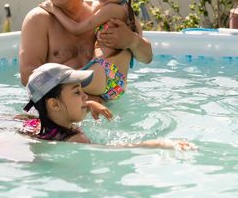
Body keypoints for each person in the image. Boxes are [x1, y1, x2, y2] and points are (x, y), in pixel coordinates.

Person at [19, 0, 152, 87]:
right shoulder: (38, 19)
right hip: (66, 106)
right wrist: (79, 98)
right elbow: (28, 77)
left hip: (107, 100)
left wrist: (132, 41)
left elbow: (147, 58)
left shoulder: (102, 11)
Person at [20, 63, 195, 150]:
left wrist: (89, 104)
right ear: (54, 104)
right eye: (76, 92)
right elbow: (113, 150)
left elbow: (62, 111)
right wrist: (158, 144)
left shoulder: (36, 125)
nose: (85, 96)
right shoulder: (75, 139)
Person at [39, 0, 136, 102]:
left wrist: (54, 10)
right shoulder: (127, 10)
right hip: (117, 80)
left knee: (49, 83)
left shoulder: (111, 9)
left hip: (102, 71)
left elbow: (77, 29)